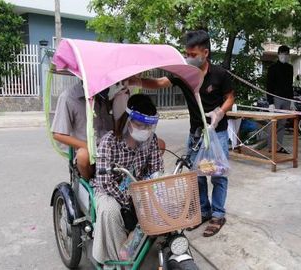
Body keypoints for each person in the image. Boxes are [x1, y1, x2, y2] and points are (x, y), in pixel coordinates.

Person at [130, 30, 234, 237]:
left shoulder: (220, 74)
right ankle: (203, 211)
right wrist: (138, 81)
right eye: (186, 53)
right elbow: (160, 83)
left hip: (217, 134)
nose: (188, 58)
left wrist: (220, 112)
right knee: (197, 175)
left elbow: (230, 97)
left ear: (205, 52)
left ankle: (218, 214)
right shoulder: (184, 74)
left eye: (193, 54)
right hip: (195, 134)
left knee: (218, 175)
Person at [92, 94, 164, 263]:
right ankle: (115, 261)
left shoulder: (151, 140)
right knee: (109, 212)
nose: (145, 130)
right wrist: (129, 199)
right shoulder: (109, 141)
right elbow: (105, 182)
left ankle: (136, 244)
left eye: (149, 126)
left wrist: (154, 190)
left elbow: (156, 169)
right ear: (129, 121)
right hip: (111, 191)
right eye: (141, 125)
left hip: (137, 187)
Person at [51, 80, 114, 179]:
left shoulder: (103, 94)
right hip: (90, 155)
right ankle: (90, 181)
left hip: (110, 150)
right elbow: (58, 134)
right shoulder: (68, 97)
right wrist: (90, 148)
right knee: (83, 155)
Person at [266, 45, 294, 154]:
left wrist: (291, 101)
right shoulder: (272, 68)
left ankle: (279, 146)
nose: (284, 56)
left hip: (287, 99)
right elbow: (269, 86)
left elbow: (290, 85)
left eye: (286, 54)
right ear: (278, 54)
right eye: (282, 53)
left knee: (282, 124)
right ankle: (270, 147)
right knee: (273, 123)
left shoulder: (290, 68)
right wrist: (270, 103)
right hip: (276, 98)